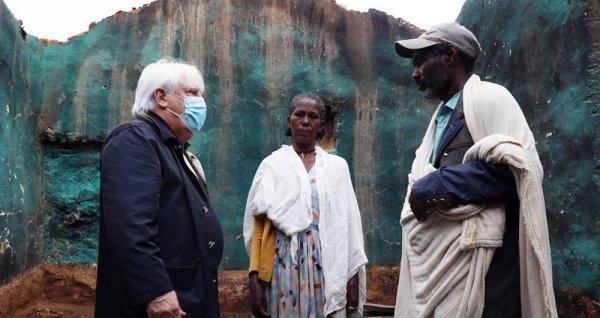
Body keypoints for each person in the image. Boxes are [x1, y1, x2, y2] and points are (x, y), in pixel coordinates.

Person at [392, 23, 557, 318]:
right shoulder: (438, 122)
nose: (415, 73)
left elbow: (522, 172)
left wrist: (444, 180)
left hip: (489, 280)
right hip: (438, 282)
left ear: (450, 55)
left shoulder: (491, 99)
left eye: (420, 62)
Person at [95, 57, 223, 317]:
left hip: (186, 292)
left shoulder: (173, 148)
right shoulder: (135, 140)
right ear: (162, 97)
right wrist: (155, 291)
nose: (200, 102)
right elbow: (131, 226)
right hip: (160, 301)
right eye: (192, 93)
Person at [243, 93, 368, 317]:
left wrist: (353, 278)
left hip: (326, 265)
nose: (305, 121)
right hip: (280, 267)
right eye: (299, 114)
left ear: (321, 125)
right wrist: (254, 279)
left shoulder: (336, 168)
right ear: (289, 120)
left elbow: (348, 226)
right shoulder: (272, 165)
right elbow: (258, 228)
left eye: (313, 116)